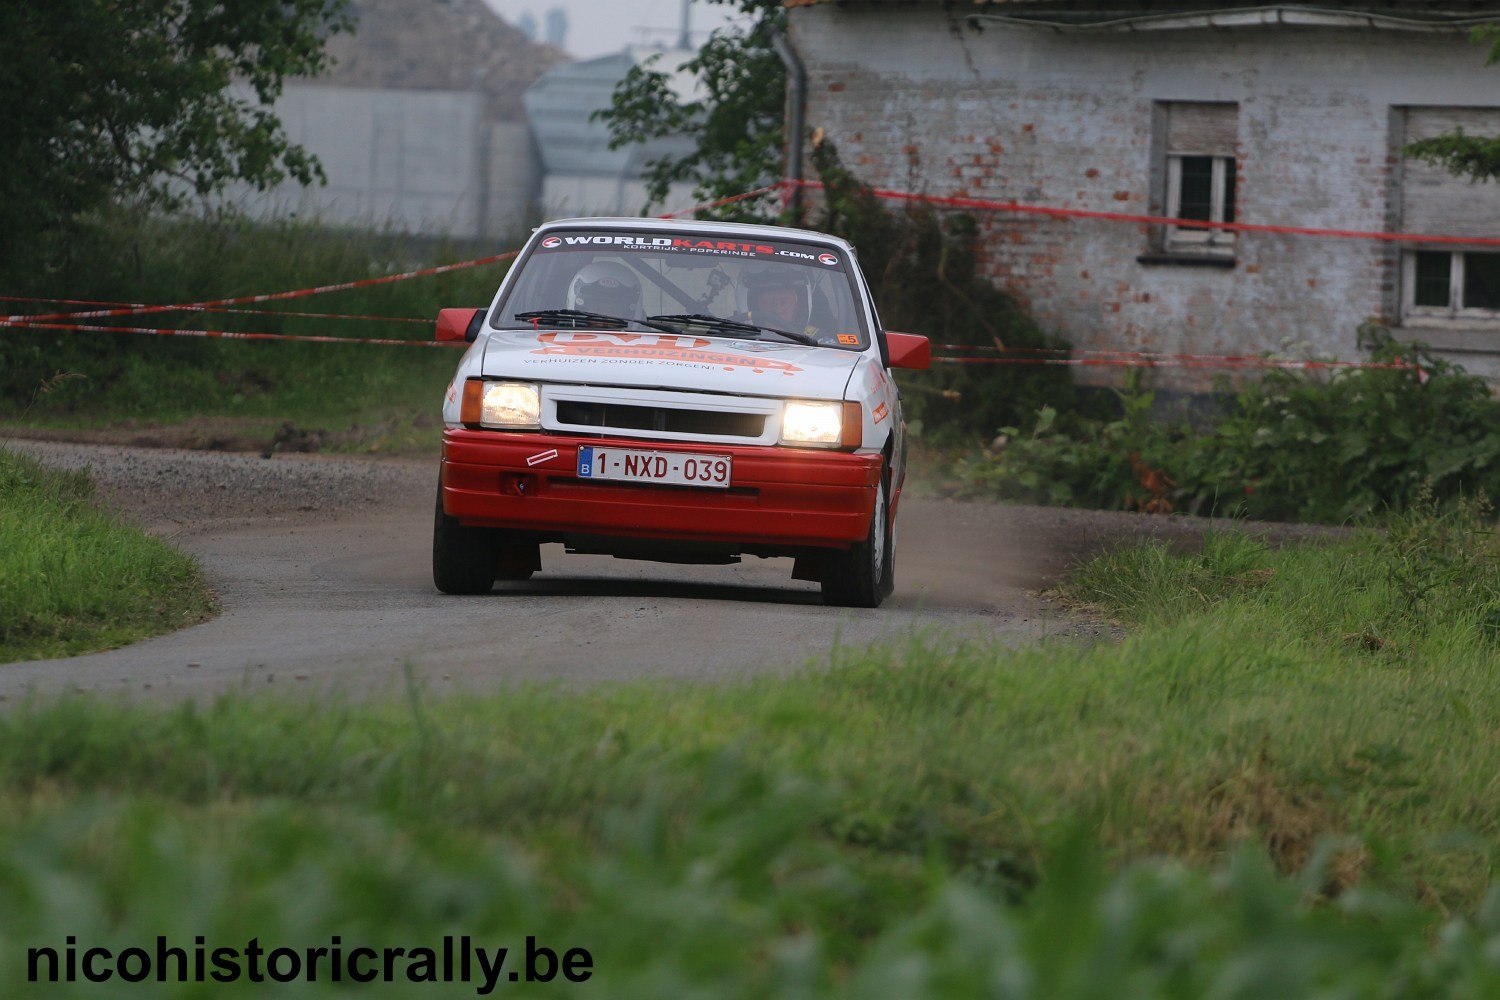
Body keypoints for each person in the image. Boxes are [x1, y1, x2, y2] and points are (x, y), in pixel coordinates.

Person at [741, 263, 818, 337]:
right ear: (756, 305)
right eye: (770, 302)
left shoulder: (817, 341)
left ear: (796, 306)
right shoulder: (735, 336)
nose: (777, 310)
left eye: (784, 302)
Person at [567, 261, 641, 317]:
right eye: (597, 307)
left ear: (627, 313)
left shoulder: (649, 337)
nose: (605, 315)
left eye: (613, 309)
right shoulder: (560, 335)